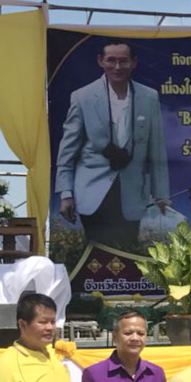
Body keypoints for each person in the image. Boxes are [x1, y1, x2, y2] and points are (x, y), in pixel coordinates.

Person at [54, 38, 171, 249]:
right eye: (111, 60)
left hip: (132, 195)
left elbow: (157, 149)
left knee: (127, 253)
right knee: (96, 255)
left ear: (133, 62)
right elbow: (67, 150)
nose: (117, 67)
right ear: (101, 61)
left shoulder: (148, 97)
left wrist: (161, 194)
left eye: (123, 61)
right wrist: (65, 194)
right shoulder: (83, 97)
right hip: (92, 193)